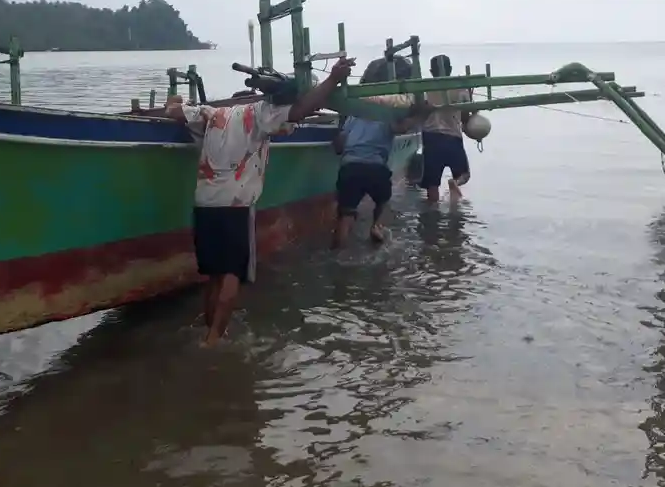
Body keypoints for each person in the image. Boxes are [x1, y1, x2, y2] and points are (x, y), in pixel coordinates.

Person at [161, 58, 354, 346]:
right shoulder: (262, 113)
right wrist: (333, 79)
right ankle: (214, 341)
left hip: (204, 203)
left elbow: (174, 111)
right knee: (232, 273)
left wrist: (175, 100)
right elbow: (302, 110)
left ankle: (209, 330)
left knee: (214, 274)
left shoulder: (213, 113)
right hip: (236, 205)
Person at [331, 95, 432, 247]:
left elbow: (339, 145)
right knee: (383, 201)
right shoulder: (386, 116)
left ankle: (339, 251)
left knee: (346, 216)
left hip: (350, 167)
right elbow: (402, 128)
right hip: (376, 168)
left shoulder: (353, 117)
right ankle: (376, 225)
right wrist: (421, 115)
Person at [420, 54, 473, 203]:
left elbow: (418, 112)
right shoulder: (460, 88)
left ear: (431, 72)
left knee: (432, 184)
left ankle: (433, 212)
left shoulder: (423, 88)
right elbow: (465, 118)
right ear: (450, 69)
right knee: (464, 175)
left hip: (430, 138)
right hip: (452, 137)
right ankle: (455, 183)